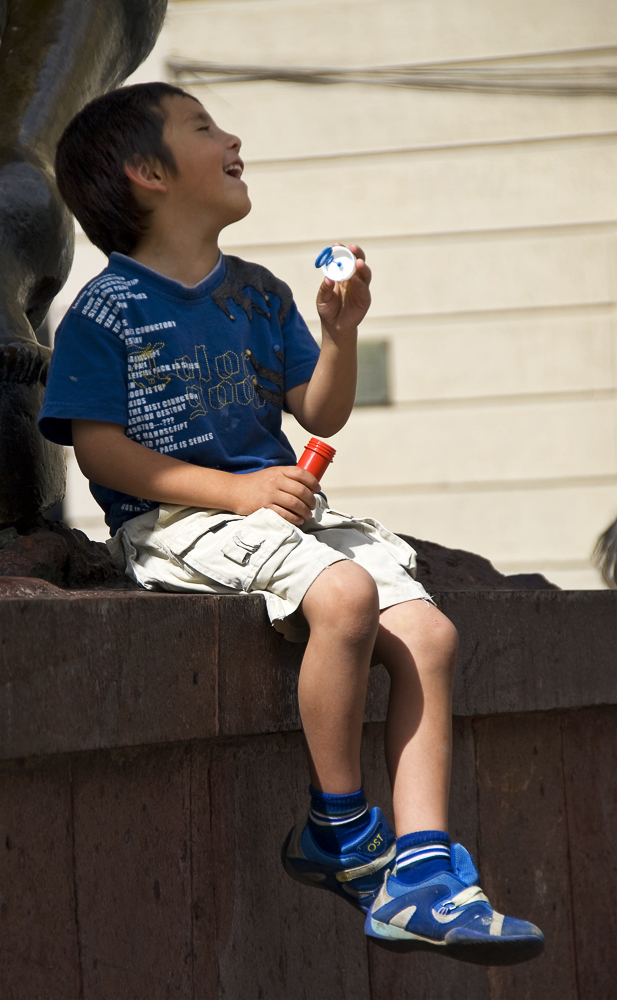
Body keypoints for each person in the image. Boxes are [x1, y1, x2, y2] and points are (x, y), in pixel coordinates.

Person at [39, 82, 544, 965]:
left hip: (278, 512)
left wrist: (338, 332)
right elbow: (102, 456)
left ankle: (423, 874)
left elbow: (320, 411)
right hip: (176, 518)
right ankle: (340, 830)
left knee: (427, 631)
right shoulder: (106, 309)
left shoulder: (260, 295)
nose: (233, 138)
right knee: (344, 592)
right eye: (204, 128)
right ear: (148, 173)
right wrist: (233, 493)